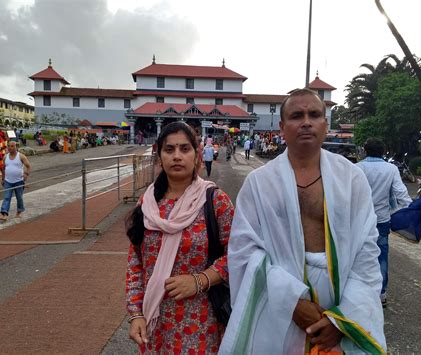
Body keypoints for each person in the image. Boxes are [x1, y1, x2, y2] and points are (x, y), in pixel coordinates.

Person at [220, 89, 386, 354]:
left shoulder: (352, 179)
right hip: (278, 304)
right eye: (297, 115)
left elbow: (366, 250)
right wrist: (292, 303)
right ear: (282, 127)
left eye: (315, 114)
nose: (306, 121)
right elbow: (244, 251)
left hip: (342, 299)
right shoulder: (259, 183)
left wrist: (340, 320)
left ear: (325, 124)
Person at [125, 121, 234, 354]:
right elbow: (135, 262)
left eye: (185, 149)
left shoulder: (215, 201)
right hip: (155, 321)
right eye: (169, 149)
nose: (177, 156)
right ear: (159, 156)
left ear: (196, 155)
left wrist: (199, 280)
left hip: (201, 320)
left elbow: (237, 254)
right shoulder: (148, 204)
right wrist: (135, 314)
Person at [356, 138, 412, 306]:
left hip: (359, 220)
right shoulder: (391, 169)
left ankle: (356, 291)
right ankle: (381, 294)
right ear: (383, 151)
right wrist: (411, 210)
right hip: (381, 220)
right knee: (381, 256)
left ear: (365, 151)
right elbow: (401, 194)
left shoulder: (357, 168)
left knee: (357, 254)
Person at [0, 140, 32, 221]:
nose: (10, 148)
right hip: (8, 181)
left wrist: (26, 174)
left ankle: (19, 211)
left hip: (19, 181)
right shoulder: (5, 157)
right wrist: (3, 178)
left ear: (16, 147)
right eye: (9, 146)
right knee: (7, 197)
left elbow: (28, 166)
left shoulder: (21, 156)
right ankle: (4, 213)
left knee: (19, 198)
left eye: (12, 146)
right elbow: (3, 168)